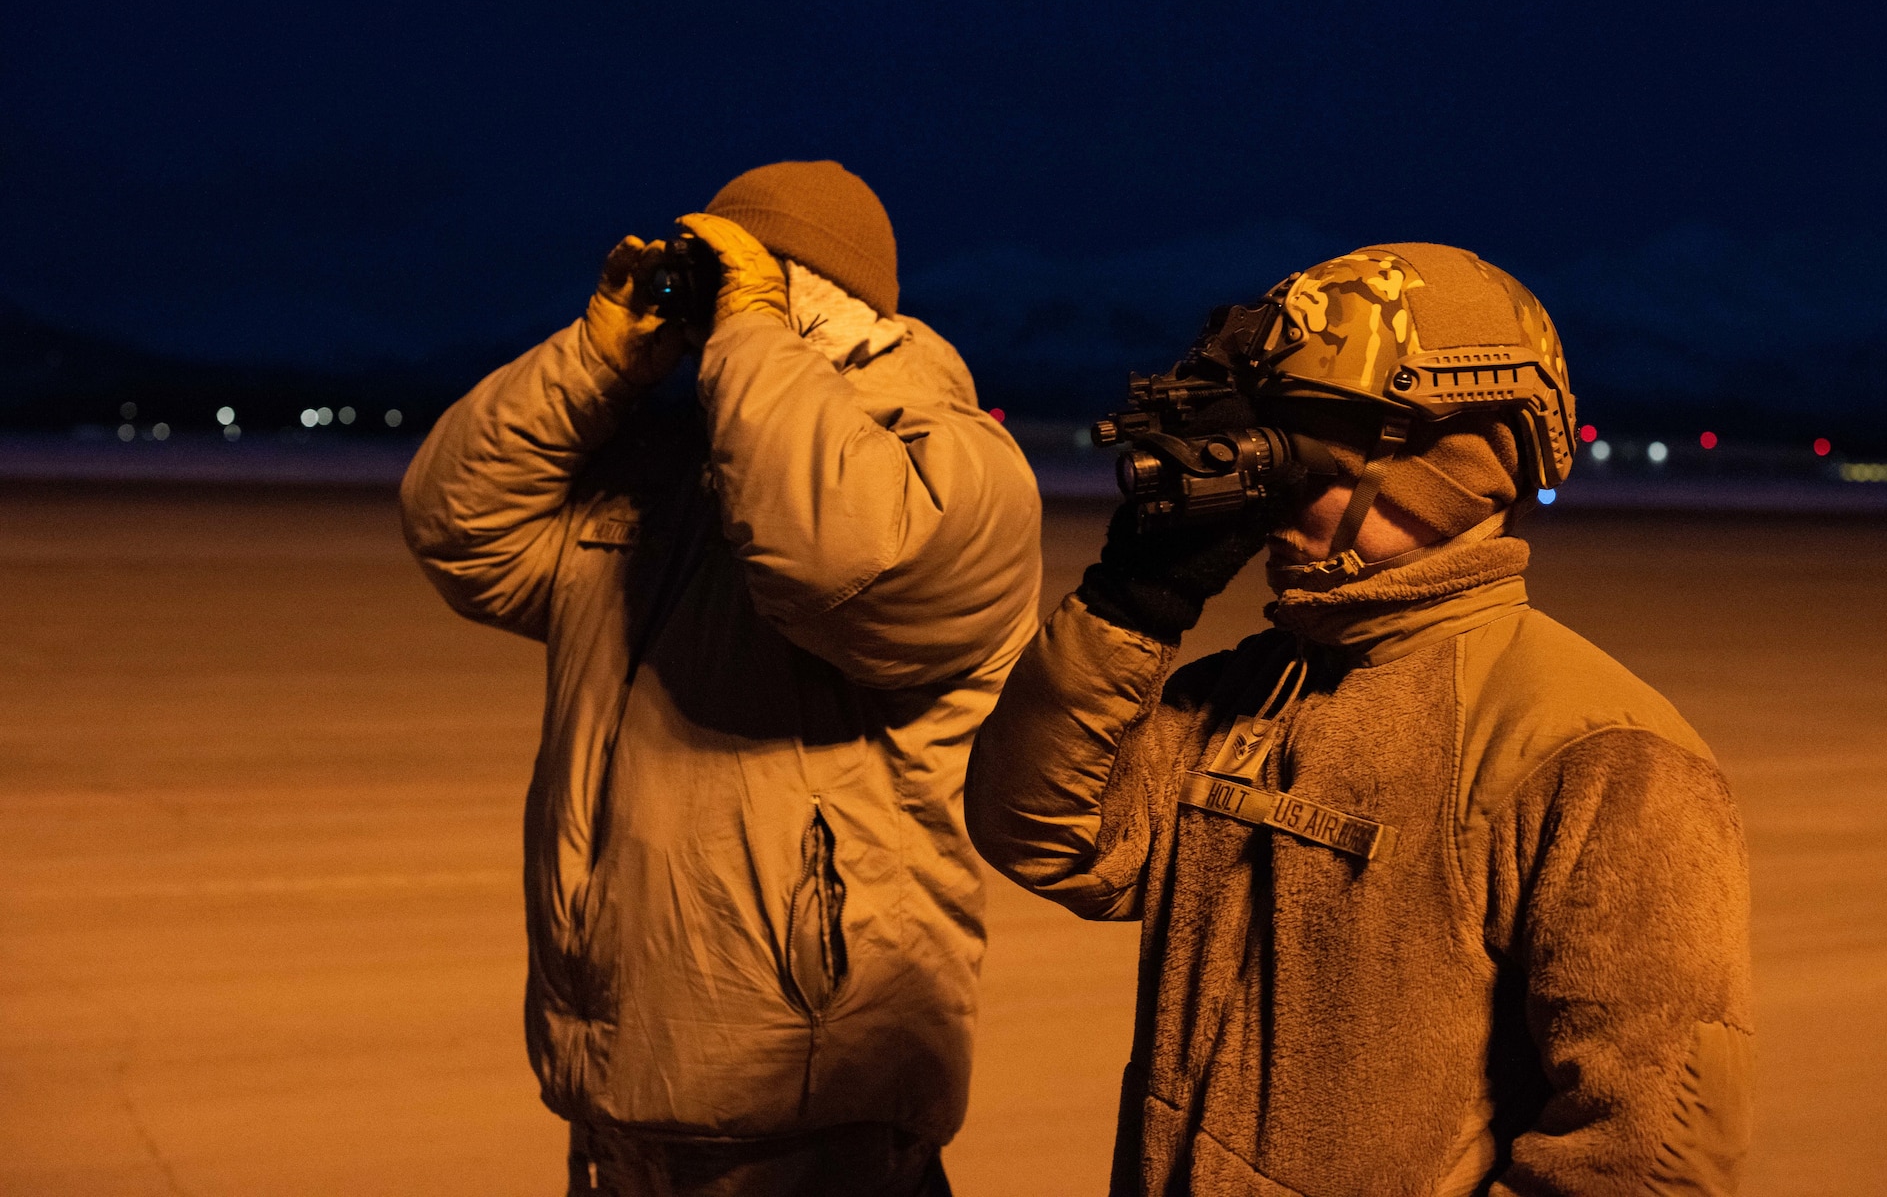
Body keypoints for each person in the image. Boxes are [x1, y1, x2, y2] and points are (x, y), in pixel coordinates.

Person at [966, 244, 1753, 1195]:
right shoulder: (1253, 690)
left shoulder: (1600, 755)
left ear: (1453, 464)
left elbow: (1643, 1166)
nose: (1272, 487)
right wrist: (1133, 604)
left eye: (1309, 442)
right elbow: (1047, 835)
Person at [402, 160, 1043, 1196]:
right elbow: (458, 531)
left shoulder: (948, 462)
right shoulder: (669, 481)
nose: (709, 318)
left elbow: (838, 561)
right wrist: (597, 358)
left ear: (812, 299)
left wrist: (754, 333)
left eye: (740, 282)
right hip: (620, 1058)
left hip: (802, 1079)